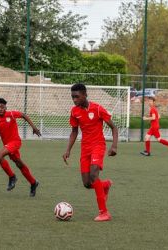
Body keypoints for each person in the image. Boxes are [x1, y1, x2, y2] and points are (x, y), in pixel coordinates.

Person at [62, 83, 118, 222]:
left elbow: (114, 127)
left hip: (98, 145)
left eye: (77, 96)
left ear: (85, 95)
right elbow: (74, 131)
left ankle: (104, 212)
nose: (74, 100)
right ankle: (105, 185)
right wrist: (68, 149)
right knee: (87, 183)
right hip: (85, 148)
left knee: (94, 175)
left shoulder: (98, 109)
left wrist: (114, 146)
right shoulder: (74, 111)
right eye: (72, 97)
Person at [0, 98, 41, 197]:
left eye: (2, 107)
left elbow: (24, 115)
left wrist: (34, 127)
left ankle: (12, 177)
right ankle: (33, 182)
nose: (0, 109)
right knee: (20, 164)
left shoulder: (11, 114)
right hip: (7, 145)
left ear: (6, 107)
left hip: (15, 142)